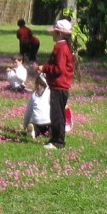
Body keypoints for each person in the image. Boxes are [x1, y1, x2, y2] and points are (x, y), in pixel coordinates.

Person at [32, 19, 75, 150]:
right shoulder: (64, 46)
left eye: (54, 32)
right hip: (60, 85)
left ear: (60, 34)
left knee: (57, 115)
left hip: (59, 85)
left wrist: (44, 68)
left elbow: (59, 69)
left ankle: (58, 142)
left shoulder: (61, 48)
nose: (52, 34)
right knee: (57, 114)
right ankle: (55, 139)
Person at [22, 74, 51, 139]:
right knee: (49, 131)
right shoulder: (50, 93)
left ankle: (33, 130)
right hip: (48, 122)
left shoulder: (33, 95)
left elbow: (28, 112)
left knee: (37, 130)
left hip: (36, 121)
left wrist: (25, 125)